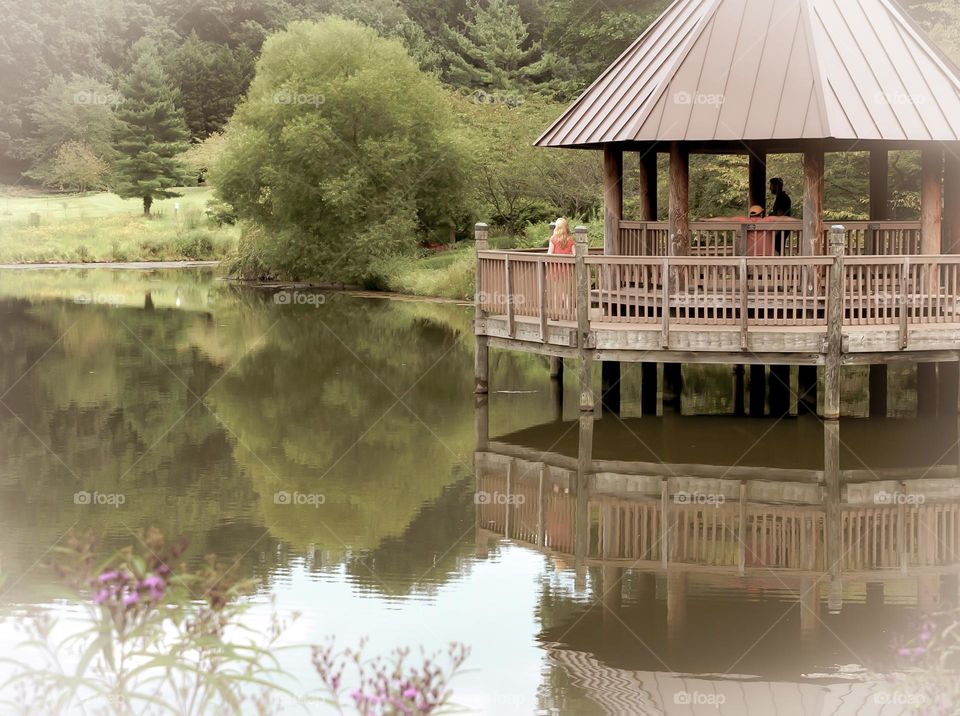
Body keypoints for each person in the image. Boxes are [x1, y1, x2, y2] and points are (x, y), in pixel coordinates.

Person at [546, 218, 575, 315]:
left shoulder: (553, 239)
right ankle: (568, 312)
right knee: (565, 291)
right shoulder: (570, 240)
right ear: (566, 227)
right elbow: (574, 255)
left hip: (554, 269)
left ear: (556, 227)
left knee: (556, 292)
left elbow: (549, 253)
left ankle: (556, 312)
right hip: (565, 269)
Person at [769, 178, 792, 255]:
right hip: (782, 227)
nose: (770, 188)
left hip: (780, 227)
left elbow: (780, 215)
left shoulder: (781, 198)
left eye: (771, 185)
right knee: (779, 248)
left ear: (776, 186)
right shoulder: (783, 197)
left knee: (777, 248)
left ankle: (780, 265)